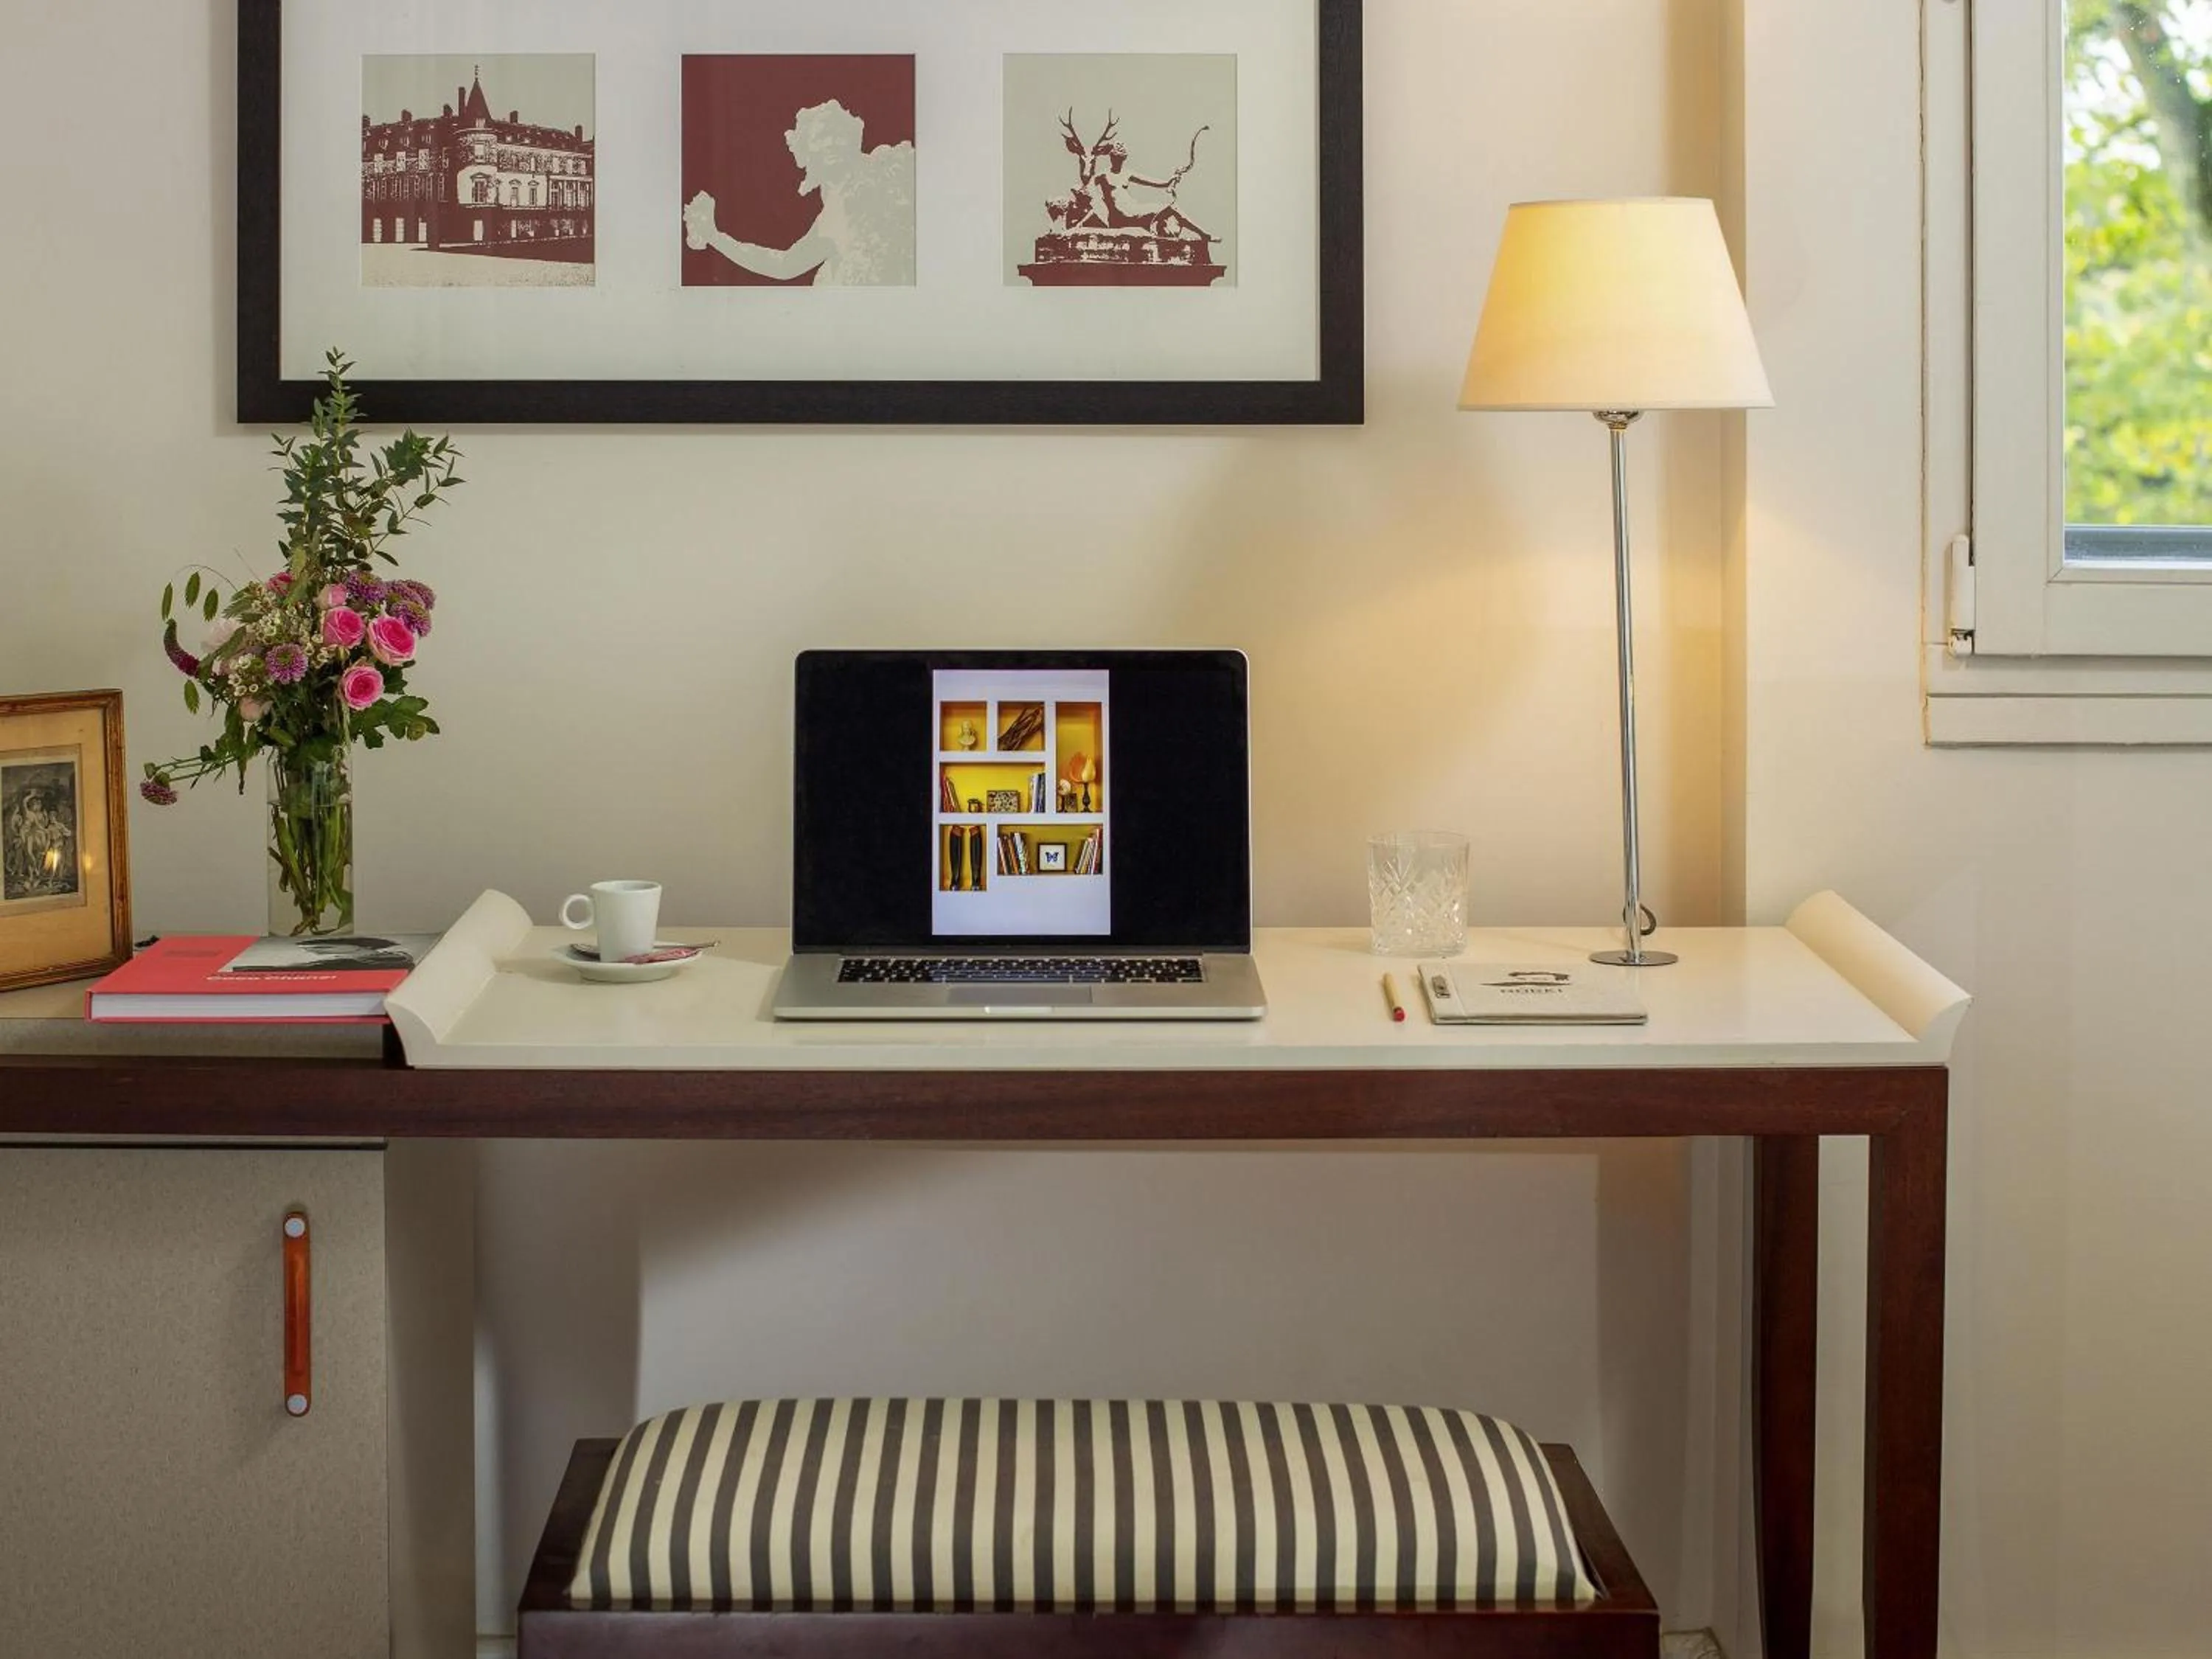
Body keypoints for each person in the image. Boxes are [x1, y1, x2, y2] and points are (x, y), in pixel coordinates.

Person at [684, 100, 914, 286]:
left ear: (853, 139)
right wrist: (714, 237)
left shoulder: (892, 167)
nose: (832, 143)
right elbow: (785, 266)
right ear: (806, 152)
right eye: (821, 136)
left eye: (839, 133)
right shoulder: (829, 219)